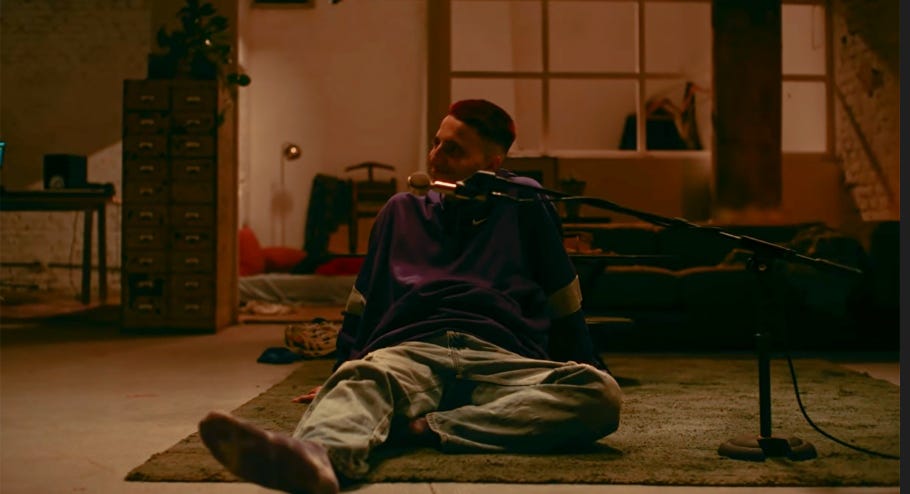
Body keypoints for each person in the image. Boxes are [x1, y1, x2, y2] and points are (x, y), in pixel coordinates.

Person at [198, 99, 623, 494]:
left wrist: (586, 362)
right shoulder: (401, 210)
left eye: (453, 150)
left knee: (599, 394)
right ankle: (318, 458)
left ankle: (423, 428)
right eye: (436, 143)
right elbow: (362, 303)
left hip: (501, 354)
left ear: (492, 165)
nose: (435, 156)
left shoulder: (523, 201)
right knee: (360, 380)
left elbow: (562, 294)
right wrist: (341, 370)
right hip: (412, 348)